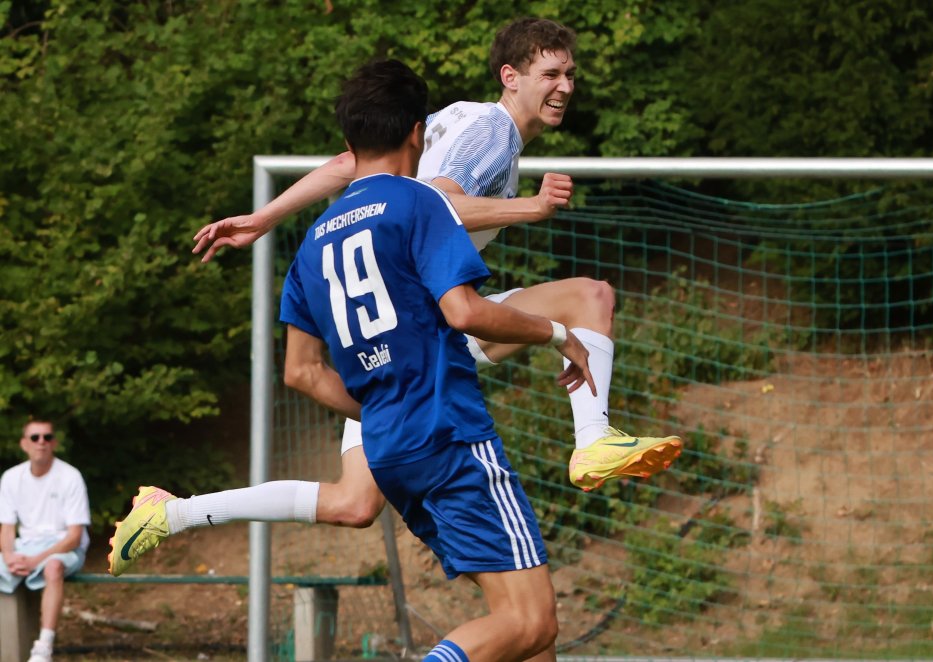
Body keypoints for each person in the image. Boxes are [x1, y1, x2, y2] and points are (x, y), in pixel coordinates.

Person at [107, 18, 681, 576]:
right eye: (551, 73)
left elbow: (350, 163)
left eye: (570, 74)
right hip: (424, 323)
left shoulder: (448, 120)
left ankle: (173, 512)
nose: (565, 87)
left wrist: (263, 218)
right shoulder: (494, 132)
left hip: (382, 334)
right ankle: (593, 439)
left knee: (354, 504)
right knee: (589, 298)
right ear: (511, 76)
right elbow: (433, 203)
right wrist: (529, 207)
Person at [159, 58, 582, 661]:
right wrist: (556, 335)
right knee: (533, 621)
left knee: (515, 631)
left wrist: (382, 410)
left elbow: (300, 372)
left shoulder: (314, 245)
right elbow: (464, 312)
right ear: (418, 132)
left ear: (348, 141)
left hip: (388, 446)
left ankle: (184, 511)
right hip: (449, 435)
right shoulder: (420, 204)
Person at [1, 420, 91, 662]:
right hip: (25, 547)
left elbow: (74, 536)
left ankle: (44, 647)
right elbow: (7, 529)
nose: (41, 442)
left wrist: (35, 560)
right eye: (35, 437)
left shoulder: (71, 477)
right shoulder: (10, 478)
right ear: (23, 444)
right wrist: (9, 556)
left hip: (62, 547)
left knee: (53, 567)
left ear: (54, 443)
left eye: (47, 437)